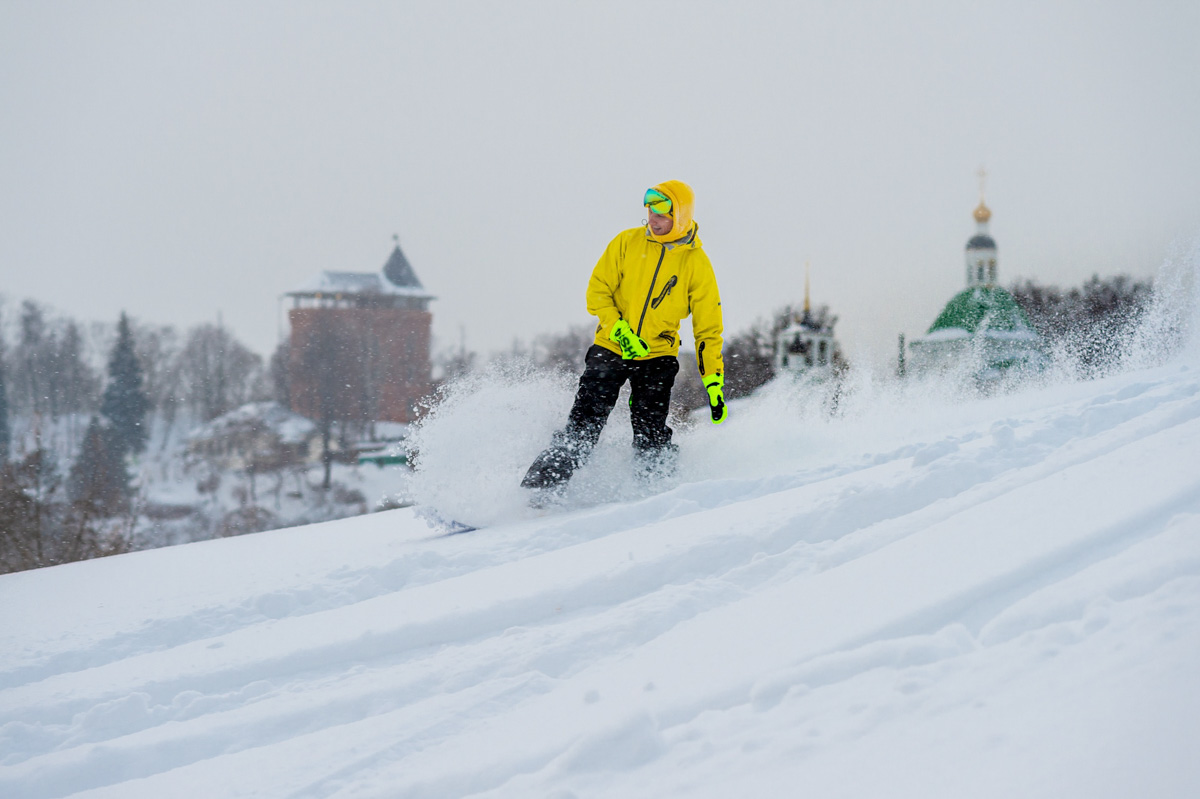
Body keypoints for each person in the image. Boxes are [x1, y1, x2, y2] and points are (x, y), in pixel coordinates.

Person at [521, 179, 727, 499]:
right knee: (584, 424)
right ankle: (537, 495)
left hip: (657, 356)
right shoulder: (626, 243)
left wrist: (713, 380)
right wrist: (619, 330)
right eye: (650, 212)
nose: (653, 219)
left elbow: (708, 328)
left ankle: (656, 495)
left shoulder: (696, 264)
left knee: (651, 433)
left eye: (662, 214)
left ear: (681, 215)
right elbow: (597, 292)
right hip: (611, 347)